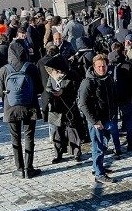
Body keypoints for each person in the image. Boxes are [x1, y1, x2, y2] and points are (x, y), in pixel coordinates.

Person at [0, 40, 44, 178]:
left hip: (11, 108)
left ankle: (19, 168)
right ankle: (29, 168)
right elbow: (40, 89)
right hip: (30, 107)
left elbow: (0, 93)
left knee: (15, 138)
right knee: (29, 137)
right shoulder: (30, 67)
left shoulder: (4, 69)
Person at [78, 54, 119, 184]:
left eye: (104, 66)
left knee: (104, 144)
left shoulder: (108, 78)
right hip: (96, 120)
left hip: (108, 118)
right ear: (94, 67)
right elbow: (83, 104)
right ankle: (99, 174)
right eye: (99, 67)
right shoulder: (88, 82)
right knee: (98, 146)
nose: (102, 69)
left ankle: (97, 167)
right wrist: (95, 121)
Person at [44, 55, 82, 163]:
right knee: (57, 131)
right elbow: (47, 87)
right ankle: (58, 154)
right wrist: (51, 91)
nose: (56, 72)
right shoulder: (52, 76)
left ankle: (76, 153)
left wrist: (63, 92)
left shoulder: (73, 75)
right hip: (56, 107)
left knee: (73, 130)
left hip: (69, 107)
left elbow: (76, 91)